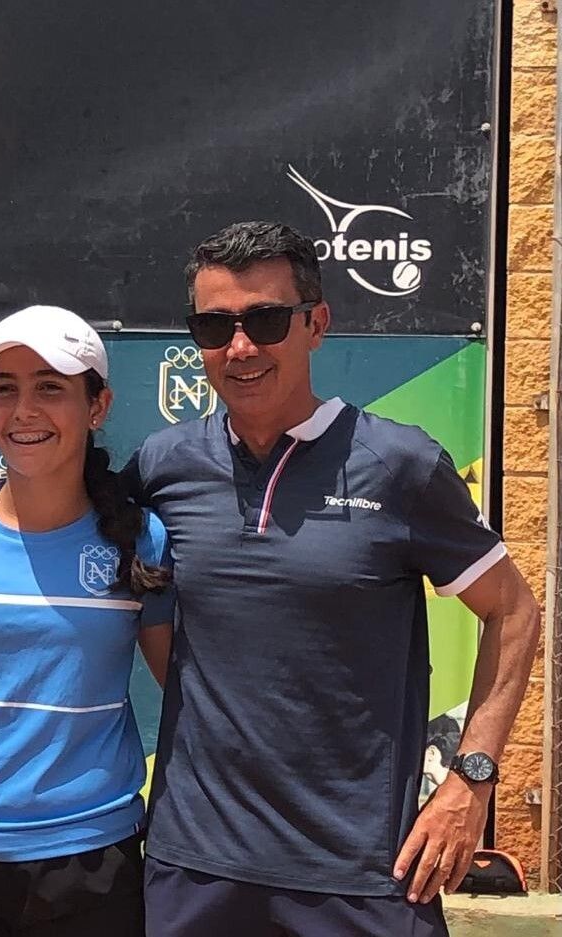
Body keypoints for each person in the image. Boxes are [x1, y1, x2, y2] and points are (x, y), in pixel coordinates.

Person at [125, 221, 541, 936]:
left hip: (363, 876)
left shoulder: (400, 465)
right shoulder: (163, 467)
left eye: (266, 319)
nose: (242, 346)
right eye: (215, 325)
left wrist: (471, 780)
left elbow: (514, 611)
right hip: (194, 869)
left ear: (317, 323)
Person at [0, 306, 175, 937]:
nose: (24, 410)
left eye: (51, 387)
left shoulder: (143, 541)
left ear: (97, 406)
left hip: (91, 858)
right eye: (4, 390)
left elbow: (188, 692)